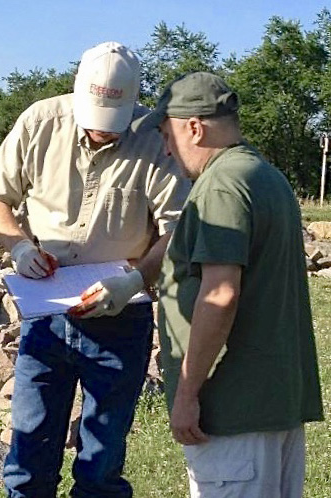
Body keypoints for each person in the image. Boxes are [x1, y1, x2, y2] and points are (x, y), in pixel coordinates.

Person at [0, 41, 190, 498]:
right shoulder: (40, 122)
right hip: (47, 310)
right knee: (28, 454)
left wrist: (135, 279)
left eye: (112, 126)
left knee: (101, 461)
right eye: (93, 121)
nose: (101, 133)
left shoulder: (155, 139)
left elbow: (179, 229)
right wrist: (18, 246)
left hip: (122, 314)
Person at [132, 71, 324, 498]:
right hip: (274, 404)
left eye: (167, 135)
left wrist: (186, 393)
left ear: (194, 128)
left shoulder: (220, 186)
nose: (165, 149)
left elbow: (220, 293)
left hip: (233, 413)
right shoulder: (265, 177)